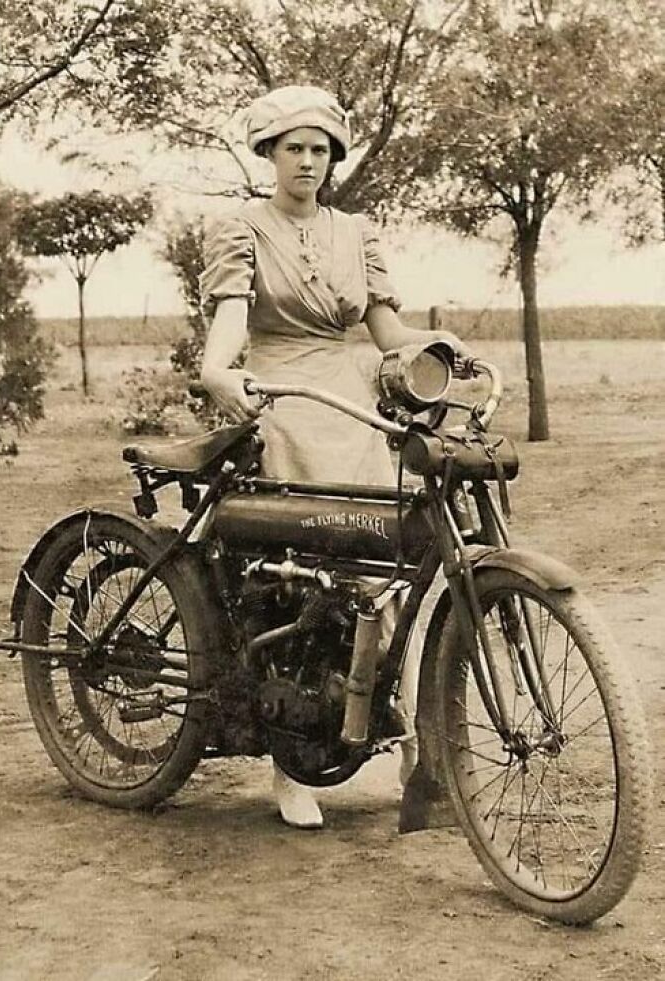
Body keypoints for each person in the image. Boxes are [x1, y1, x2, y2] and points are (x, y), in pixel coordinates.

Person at [199, 84, 466, 829]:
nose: (308, 162)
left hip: (354, 403)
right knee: (296, 578)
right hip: (283, 396)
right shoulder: (242, 228)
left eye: (320, 150)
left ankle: (409, 743)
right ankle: (291, 765)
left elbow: (388, 334)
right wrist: (220, 372)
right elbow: (230, 324)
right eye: (294, 149)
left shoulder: (355, 232)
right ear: (270, 154)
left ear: (333, 158)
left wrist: (441, 348)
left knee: (386, 572)